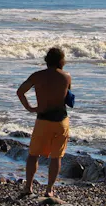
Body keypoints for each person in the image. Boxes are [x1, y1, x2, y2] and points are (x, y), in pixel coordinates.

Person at [16, 47, 71, 198]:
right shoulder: (66, 77)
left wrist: (30, 108)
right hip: (61, 120)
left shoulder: (37, 76)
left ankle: (28, 187)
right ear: (61, 61)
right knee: (56, 157)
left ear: (47, 60)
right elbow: (67, 96)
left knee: (33, 155)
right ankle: (49, 190)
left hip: (43, 119)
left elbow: (20, 91)